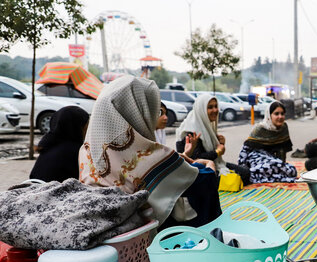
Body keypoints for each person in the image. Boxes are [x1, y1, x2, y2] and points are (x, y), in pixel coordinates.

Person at [79, 75, 221, 229]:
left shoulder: (86, 151)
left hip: (110, 233)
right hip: (150, 236)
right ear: (139, 112)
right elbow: (204, 182)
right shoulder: (145, 155)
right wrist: (210, 165)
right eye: (154, 111)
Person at [175, 94, 251, 185]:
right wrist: (218, 151)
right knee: (233, 179)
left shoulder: (204, 124)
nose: (215, 110)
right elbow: (196, 160)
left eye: (216, 106)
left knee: (245, 172)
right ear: (201, 110)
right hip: (198, 172)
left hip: (213, 165)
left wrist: (220, 144)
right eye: (210, 107)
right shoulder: (192, 131)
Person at [238, 101, 297, 183]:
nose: (280, 117)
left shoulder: (284, 127)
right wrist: (242, 169)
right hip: (256, 158)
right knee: (269, 167)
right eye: (276, 114)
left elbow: (282, 150)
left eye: (282, 114)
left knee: (291, 171)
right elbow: (245, 149)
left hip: (272, 160)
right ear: (269, 115)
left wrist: (282, 165)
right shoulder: (260, 129)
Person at [30, 106, 89, 182]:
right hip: (55, 192)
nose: (88, 129)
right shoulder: (76, 150)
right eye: (86, 125)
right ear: (77, 127)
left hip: (35, 189)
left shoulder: (48, 145)